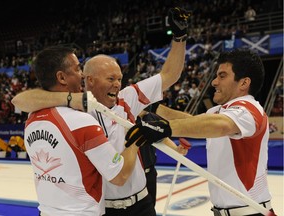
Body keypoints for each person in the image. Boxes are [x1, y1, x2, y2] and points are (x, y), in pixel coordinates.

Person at [11, 7, 191, 216]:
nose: (117, 84)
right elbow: (20, 100)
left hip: (141, 203)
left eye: (119, 79)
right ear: (90, 80)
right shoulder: (73, 113)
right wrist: (70, 99)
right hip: (103, 208)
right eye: (111, 79)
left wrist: (180, 37)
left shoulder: (128, 97)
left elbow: (170, 75)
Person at [129, 48, 276, 216]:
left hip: (250, 212)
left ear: (243, 83)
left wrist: (164, 127)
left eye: (222, 76)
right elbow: (193, 120)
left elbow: (221, 125)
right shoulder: (221, 111)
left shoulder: (249, 109)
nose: (214, 82)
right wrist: (152, 108)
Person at [23, 46, 163, 216]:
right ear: (61, 77)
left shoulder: (31, 118)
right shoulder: (81, 121)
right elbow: (119, 176)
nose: (81, 74)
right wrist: (134, 143)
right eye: (77, 69)